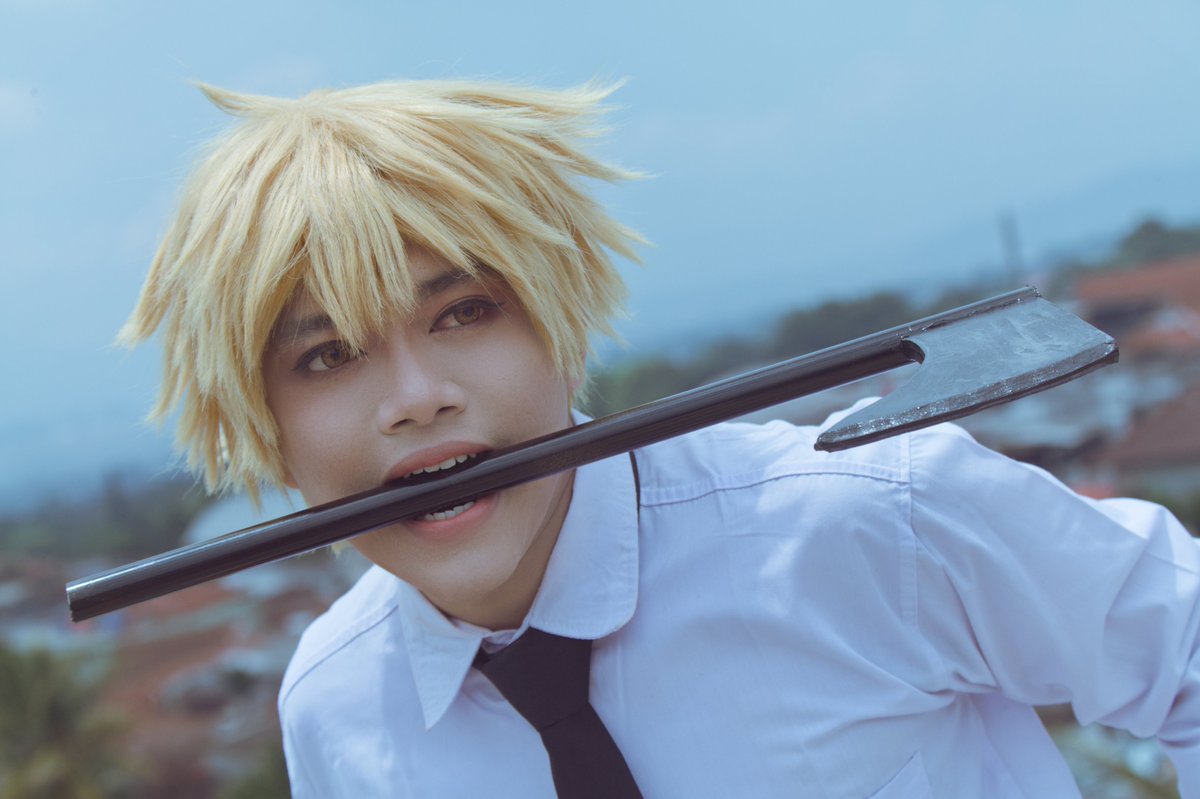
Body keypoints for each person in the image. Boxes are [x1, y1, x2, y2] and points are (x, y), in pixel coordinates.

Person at [120, 79, 1200, 798]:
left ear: (562, 328)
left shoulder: (872, 516)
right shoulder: (335, 711)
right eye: (327, 356)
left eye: (463, 312)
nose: (415, 396)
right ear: (263, 431)